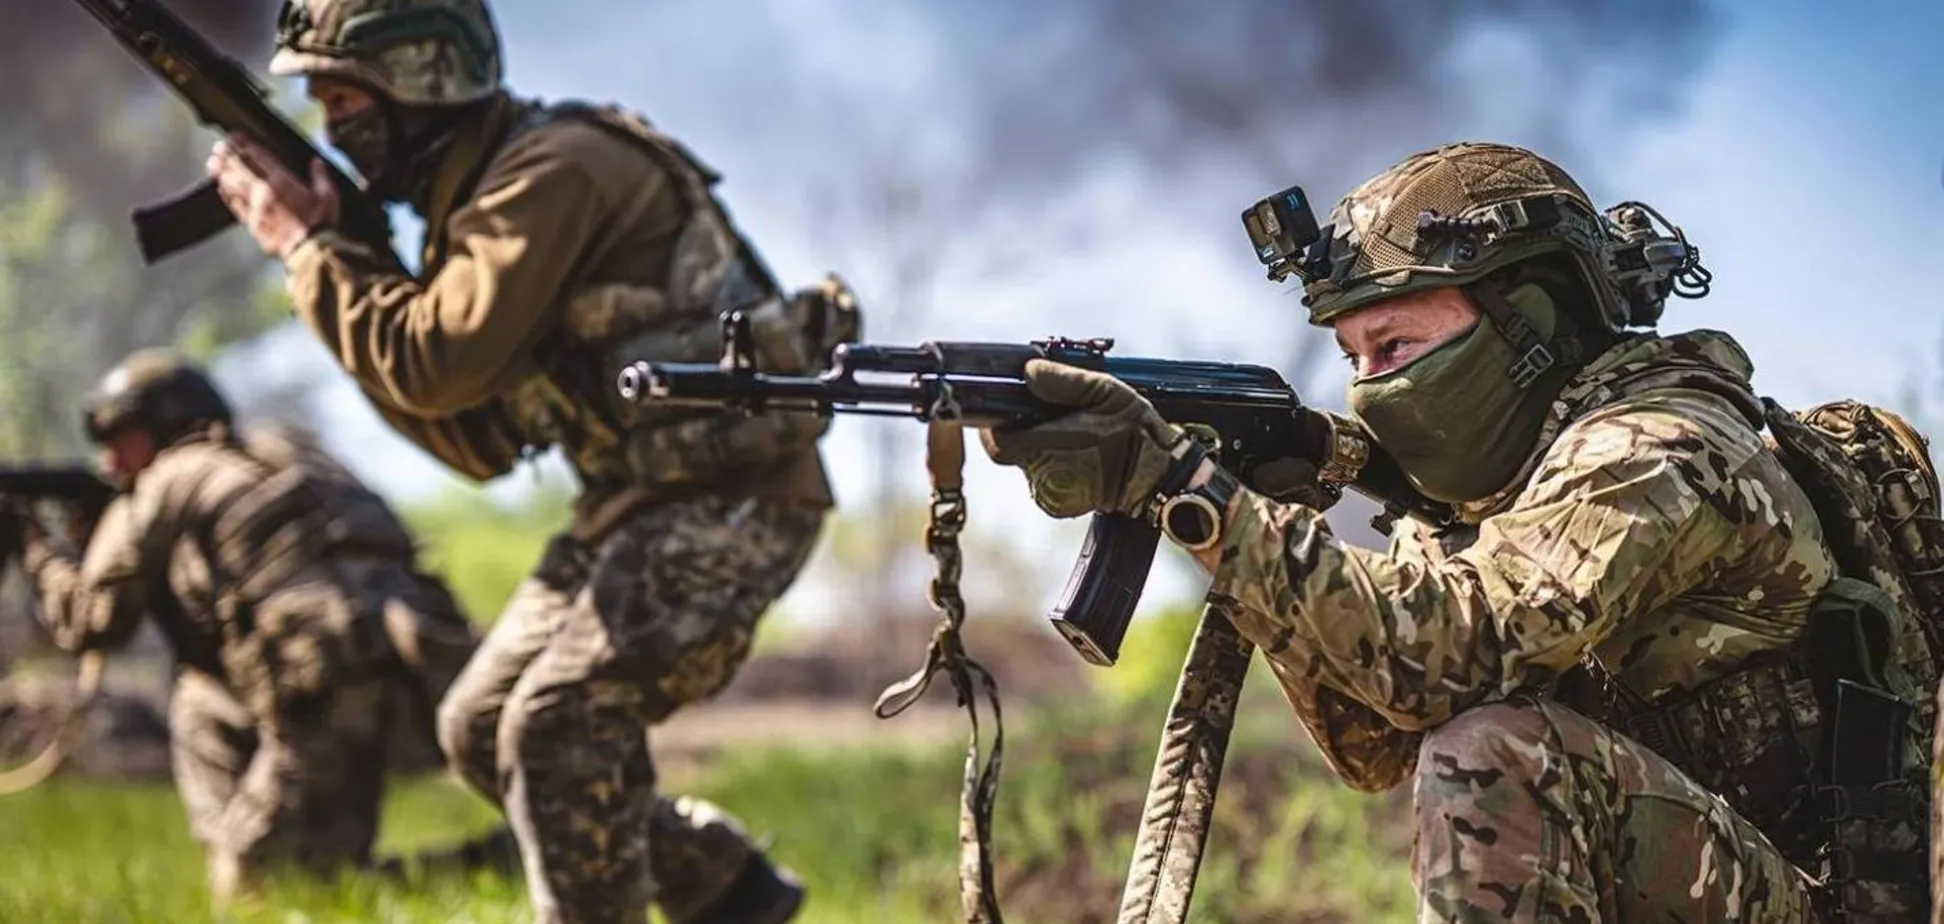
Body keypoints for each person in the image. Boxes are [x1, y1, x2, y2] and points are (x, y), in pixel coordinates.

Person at [979, 142, 1932, 922]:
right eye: (1353, 356)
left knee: (1495, 756)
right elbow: (1376, 743)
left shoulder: (1661, 448)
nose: (1368, 385)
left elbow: (1452, 657)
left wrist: (1192, 494)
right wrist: (1246, 511)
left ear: (1530, 325)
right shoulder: (1498, 500)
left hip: (1823, 902)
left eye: (1395, 347)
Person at [203, 2, 847, 921]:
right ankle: (728, 892)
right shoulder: (475, 203)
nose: (333, 126)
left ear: (420, 83)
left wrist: (311, 252)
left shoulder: (551, 170)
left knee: (556, 722)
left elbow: (433, 361)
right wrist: (340, 256)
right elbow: (476, 439)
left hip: (737, 498)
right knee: (476, 728)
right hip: (635, 503)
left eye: (345, 98)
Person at [0, 349, 482, 901]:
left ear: (163, 425)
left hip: (320, 693)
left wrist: (36, 547)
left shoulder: (171, 475)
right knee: (201, 705)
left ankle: (488, 864)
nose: (109, 463)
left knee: (258, 889)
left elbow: (90, 622)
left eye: (120, 440)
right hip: (414, 683)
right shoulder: (288, 448)